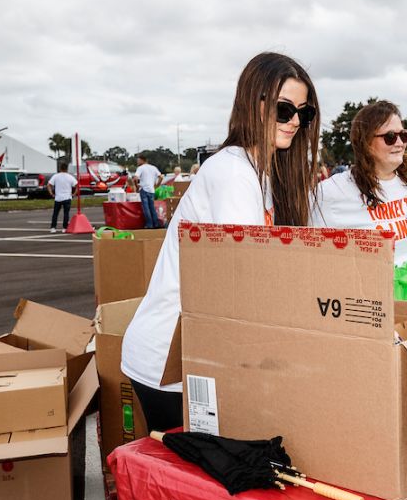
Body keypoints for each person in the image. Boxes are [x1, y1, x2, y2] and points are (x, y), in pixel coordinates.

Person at [122, 51, 320, 435]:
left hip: (197, 353)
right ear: (253, 103)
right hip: (170, 359)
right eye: (284, 109)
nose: (295, 121)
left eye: (304, 112)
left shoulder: (261, 174)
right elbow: (253, 278)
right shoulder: (232, 172)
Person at [312, 100, 407, 266]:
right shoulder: (332, 191)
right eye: (390, 137)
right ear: (365, 142)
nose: (400, 143)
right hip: (377, 290)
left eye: (404, 135)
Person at [133, 154, 163, 229]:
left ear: (142, 160)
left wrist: (137, 187)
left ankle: (149, 224)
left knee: (146, 207)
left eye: (138, 160)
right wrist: (157, 185)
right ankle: (156, 223)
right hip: (151, 189)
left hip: (144, 189)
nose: (137, 162)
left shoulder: (140, 168)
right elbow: (161, 176)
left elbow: (135, 178)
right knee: (152, 207)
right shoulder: (153, 167)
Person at [47, 162, 77, 233]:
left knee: (55, 213)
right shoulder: (70, 177)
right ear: (67, 169)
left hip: (58, 198)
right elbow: (77, 186)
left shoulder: (56, 176)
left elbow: (49, 185)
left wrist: (51, 193)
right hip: (67, 197)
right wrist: (74, 194)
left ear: (60, 168)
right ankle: (64, 228)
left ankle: (53, 228)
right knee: (66, 213)